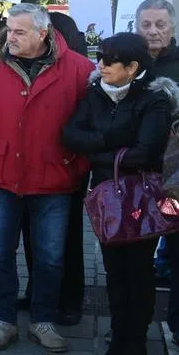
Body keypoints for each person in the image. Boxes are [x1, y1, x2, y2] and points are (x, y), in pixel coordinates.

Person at [0, 3, 94, 352]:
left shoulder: (80, 69)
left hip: (54, 178)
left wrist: (75, 163)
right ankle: (3, 320)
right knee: (0, 254)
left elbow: (90, 123)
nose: (11, 37)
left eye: (20, 31)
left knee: (51, 256)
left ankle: (43, 319)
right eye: (9, 29)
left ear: (43, 33)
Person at [62, 33, 177, 354]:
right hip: (105, 193)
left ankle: (136, 339)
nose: (100, 65)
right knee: (114, 270)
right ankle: (118, 332)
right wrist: (111, 142)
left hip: (141, 195)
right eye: (100, 57)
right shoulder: (95, 91)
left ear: (132, 66)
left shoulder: (154, 97)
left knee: (139, 271)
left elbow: (146, 152)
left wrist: (96, 148)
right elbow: (70, 134)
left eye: (109, 60)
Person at [17, 11, 90, 325]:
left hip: (67, 164)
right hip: (31, 164)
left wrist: (78, 160)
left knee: (67, 238)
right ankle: (38, 291)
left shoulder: (78, 66)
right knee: (33, 235)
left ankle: (70, 298)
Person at [135, 0, 179, 343]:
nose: (153, 31)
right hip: (136, 178)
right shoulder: (126, 62)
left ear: (172, 27)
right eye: (146, 24)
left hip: (175, 179)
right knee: (134, 258)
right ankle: (133, 327)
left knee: (177, 254)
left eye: (160, 24)